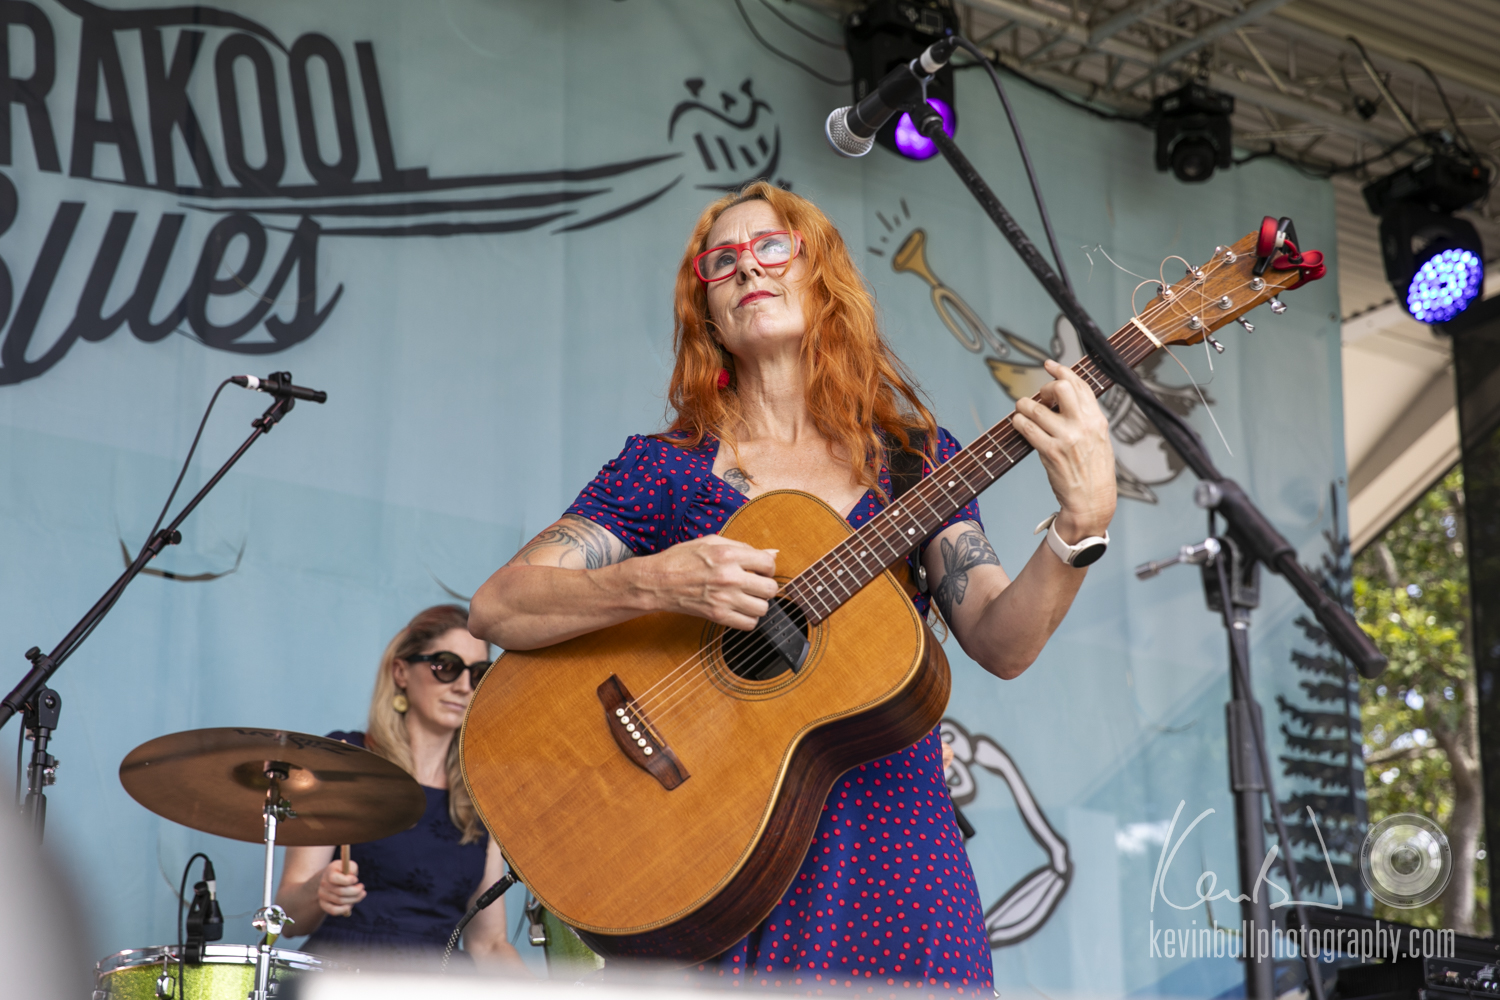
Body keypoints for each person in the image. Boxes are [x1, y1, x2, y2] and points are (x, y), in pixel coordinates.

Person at [468, 181, 1116, 994]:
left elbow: (1000, 640)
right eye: (722, 261)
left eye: (773, 247)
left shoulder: (914, 458)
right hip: (711, 854)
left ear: (823, 277)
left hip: (895, 858)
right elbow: (499, 606)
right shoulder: (663, 468)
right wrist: (655, 580)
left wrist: (1080, 525)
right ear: (707, 311)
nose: (748, 268)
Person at [274, 604, 524, 969]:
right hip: (345, 974)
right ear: (401, 671)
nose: (462, 686)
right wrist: (319, 890)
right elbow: (288, 919)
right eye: (446, 666)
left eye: (478, 674)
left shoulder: (479, 792)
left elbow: (488, 943)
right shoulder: (346, 757)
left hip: (435, 984)